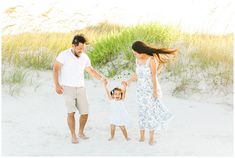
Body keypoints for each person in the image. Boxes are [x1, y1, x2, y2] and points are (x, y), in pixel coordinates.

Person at [53, 34, 107, 144]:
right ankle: (73, 135)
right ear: (73, 46)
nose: (81, 50)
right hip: (68, 88)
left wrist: (101, 78)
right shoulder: (64, 55)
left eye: (83, 48)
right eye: (79, 48)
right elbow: (55, 69)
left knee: (85, 113)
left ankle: (81, 132)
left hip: (81, 87)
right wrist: (57, 85)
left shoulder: (84, 57)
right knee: (71, 113)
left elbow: (91, 70)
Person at [122, 41, 177, 145]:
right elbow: (137, 74)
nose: (134, 55)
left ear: (141, 51)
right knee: (142, 112)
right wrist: (128, 82)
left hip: (151, 90)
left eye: (135, 53)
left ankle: (151, 138)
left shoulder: (151, 60)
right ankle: (142, 137)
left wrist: (155, 91)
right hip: (141, 91)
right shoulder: (137, 60)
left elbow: (154, 76)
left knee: (150, 113)